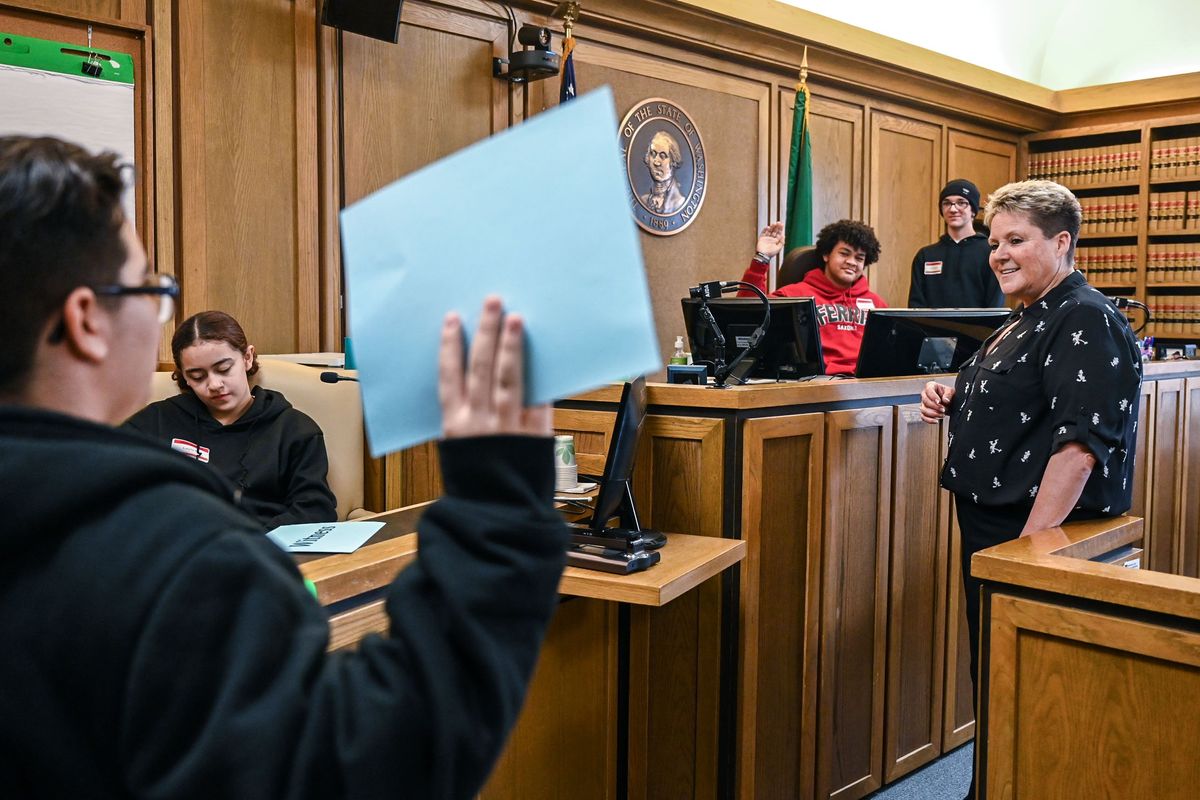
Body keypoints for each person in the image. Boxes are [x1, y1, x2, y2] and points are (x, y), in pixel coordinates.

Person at [0, 135, 569, 798]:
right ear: (86, 321)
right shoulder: (182, 563)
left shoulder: (280, 442)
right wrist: (500, 507)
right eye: (149, 288)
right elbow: (368, 766)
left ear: (247, 360)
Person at [919, 179, 1141, 800]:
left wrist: (1028, 558)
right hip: (995, 530)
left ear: (1062, 242)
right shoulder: (1028, 315)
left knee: (1030, 689)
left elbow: (1079, 450)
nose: (999, 254)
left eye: (1016, 240)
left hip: (1033, 537)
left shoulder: (1085, 317)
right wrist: (950, 391)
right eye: (995, 242)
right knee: (996, 676)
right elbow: (1014, 395)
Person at [125, 310, 338, 529]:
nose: (214, 384)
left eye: (224, 369)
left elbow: (315, 510)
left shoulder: (295, 430)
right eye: (198, 376)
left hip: (261, 550)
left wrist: (249, 541)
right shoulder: (157, 421)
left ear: (247, 358)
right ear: (185, 377)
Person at [739, 218, 886, 375]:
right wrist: (762, 259)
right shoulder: (795, 295)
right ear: (826, 254)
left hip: (869, 384)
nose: (851, 262)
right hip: (820, 383)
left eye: (859, 258)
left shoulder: (877, 303)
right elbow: (748, 313)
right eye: (844, 254)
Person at [909, 179, 1004, 308]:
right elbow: (915, 307)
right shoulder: (925, 256)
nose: (953, 209)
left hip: (979, 328)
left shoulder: (990, 252)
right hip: (931, 328)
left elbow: (995, 306)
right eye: (947, 203)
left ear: (973, 210)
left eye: (961, 203)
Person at [639, 130, 686, 215]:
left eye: (663, 156)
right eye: (653, 154)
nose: (656, 162)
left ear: (673, 161)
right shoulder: (643, 200)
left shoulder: (679, 203)